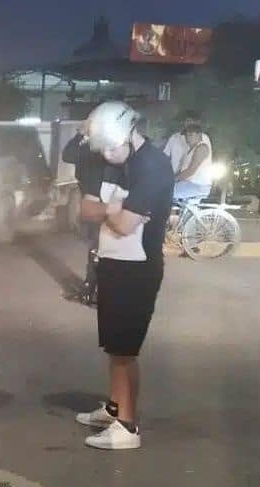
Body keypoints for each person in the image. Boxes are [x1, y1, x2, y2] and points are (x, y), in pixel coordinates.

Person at [74, 101, 173, 451]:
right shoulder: (109, 158)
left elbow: (125, 224)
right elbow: (86, 209)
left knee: (125, 351)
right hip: (112, 263)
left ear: (131, 133)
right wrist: (114, 208)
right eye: (102, 148)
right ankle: (114, 409)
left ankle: (127, 428)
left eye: (112, 147)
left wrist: (114, 213)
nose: (107, 155)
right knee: (114, 348)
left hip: (138, 269)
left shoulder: (153, 166)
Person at [62, 120, 122, 307]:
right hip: (104, 202)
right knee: (98, 248)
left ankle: (94, 292)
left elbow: (68, 155)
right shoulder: (106, 150)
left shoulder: (95, 151)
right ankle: (91, 290)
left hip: (99, 203)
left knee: (98, 248)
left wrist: (80, 135)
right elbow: (68, 155)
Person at [172, 123, 214, 203]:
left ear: (199, 135)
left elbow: (190, 171)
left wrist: (172, 180)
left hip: (197, 185)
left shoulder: (201, 148)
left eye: (191, 135)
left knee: (165, 191)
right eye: (186, 135)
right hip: (189, 184)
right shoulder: (190, 149)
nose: (188, 138)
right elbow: (182, 170)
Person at [162, 110, 209, 176]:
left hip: (193, 178)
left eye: (190, 121)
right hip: (174, 176)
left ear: (196, 122)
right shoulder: (174, 137)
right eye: (186, 121)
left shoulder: (203, 138)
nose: (188, 123)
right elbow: (164, 156)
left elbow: (192, 169)